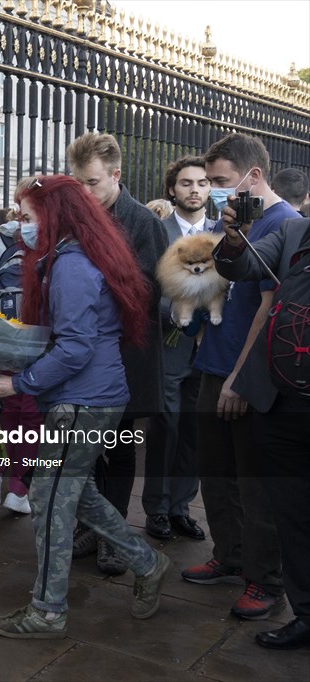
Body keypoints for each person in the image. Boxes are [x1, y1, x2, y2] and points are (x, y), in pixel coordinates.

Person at [0, 175, 170, 638]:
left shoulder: (70, 265)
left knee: (50, 498)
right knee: (73, 491)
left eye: (26, 217)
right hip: (87, 397)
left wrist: (16, 383)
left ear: (53, 216)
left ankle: (47, 610)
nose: (18, 226)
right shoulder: (73, 257)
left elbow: (76, 348)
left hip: (83, 400)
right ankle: (147, 562)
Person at [182, 132, 299, 620]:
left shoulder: (286, 225)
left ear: (253, 177)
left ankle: (264, 579)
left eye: (222, 181)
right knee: (217, 474)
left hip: (249, 375)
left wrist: (238, 379)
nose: (215, 190)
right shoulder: (231, 224)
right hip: (214, 363)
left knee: (255, 486)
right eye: (210, 182)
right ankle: (229, 556)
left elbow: (269, 312)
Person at [66, 133, 168, 576]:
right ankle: (94, 526)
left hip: (126, 352)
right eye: (77, 183)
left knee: (120, 445)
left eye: (91, 183)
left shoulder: (143, 222)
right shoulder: (75, 218)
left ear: (116, 175)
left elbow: (152, 287)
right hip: (81, 349)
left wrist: (97, 283)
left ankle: (114, 535)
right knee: (84, 447)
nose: (84, 193)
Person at [214, 214, 310, 649]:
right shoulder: (294, 231)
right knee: (291, 515)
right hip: (283, 403)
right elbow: (240, 267)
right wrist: (234, 242)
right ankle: (306, 614)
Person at [143, 156, 211, 542]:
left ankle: (181, 507)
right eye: (186, 183)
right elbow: (148, 287)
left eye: (201, 183)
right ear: (173, 189)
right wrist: (178, 311)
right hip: (169, 347)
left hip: (208, 352)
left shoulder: (223, 233)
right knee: (165, 429)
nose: (194, 190)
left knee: (194, 432)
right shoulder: (159, 231)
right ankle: (156, 508)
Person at [0, 176, 42, 514]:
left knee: (9, 410)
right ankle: (19, 487)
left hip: (4, 335)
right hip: (38, 340)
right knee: (31, 415)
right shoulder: (52, 241)